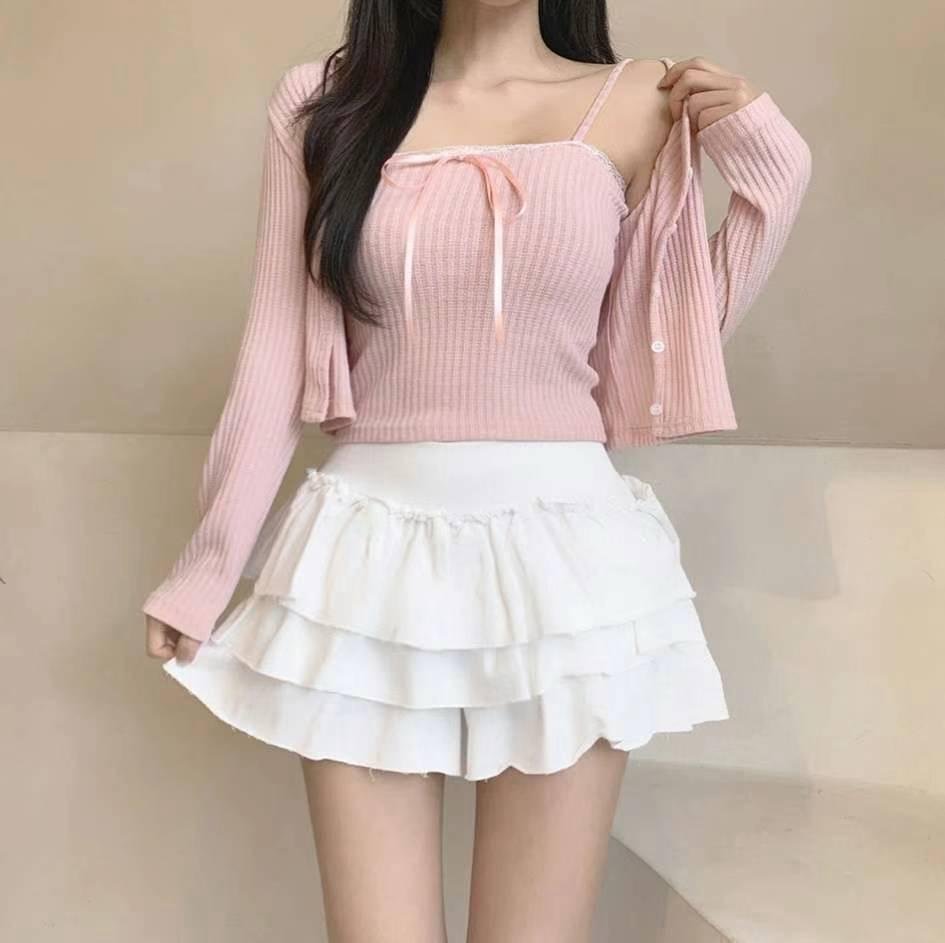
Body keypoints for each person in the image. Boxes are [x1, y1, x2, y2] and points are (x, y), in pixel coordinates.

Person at [142, 2, 812, 940]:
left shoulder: (640, 102)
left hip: (567, 567)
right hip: (361, 563)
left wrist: (774, 169)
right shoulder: (325, 102)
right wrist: (209, 564)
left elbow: (669, 331)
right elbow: (273, 346)